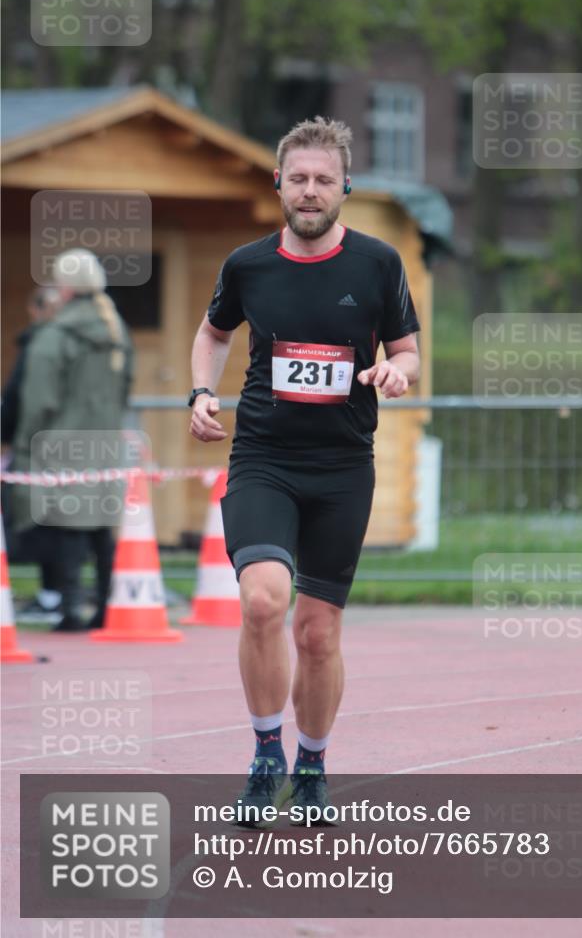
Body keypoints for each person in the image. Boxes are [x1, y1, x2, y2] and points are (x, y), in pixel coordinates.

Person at [189, 117, 420, 823]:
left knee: (317, 632)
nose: (310, 191)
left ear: (344, 187)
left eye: (323, 180)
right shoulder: (248, 265)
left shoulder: (378, 263)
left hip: (343, 467)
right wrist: (201, 391)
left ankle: (313, 763)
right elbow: (212, 331)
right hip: (263, 458)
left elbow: (408, 350)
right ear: (278, 185)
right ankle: (266, 755)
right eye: (299, 179)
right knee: (262, 600)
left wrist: (395, 372)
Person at [11, 249, 134, 631]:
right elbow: (125, 389)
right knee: (100, 528)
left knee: (68, 526)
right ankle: (106, 610)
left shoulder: (55, 335)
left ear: (64, 287)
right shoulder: (116, 330)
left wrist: (24, 444)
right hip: (105, 443)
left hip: (61, 443)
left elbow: (38, 401)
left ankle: (70, 610)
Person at [2, 287, 64, 613]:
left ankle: (53, 595)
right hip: (63, 444)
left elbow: (18, 398)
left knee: (38, 519)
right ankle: (56, 595)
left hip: (38, 445)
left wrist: (11, 436)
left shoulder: (39, 344)